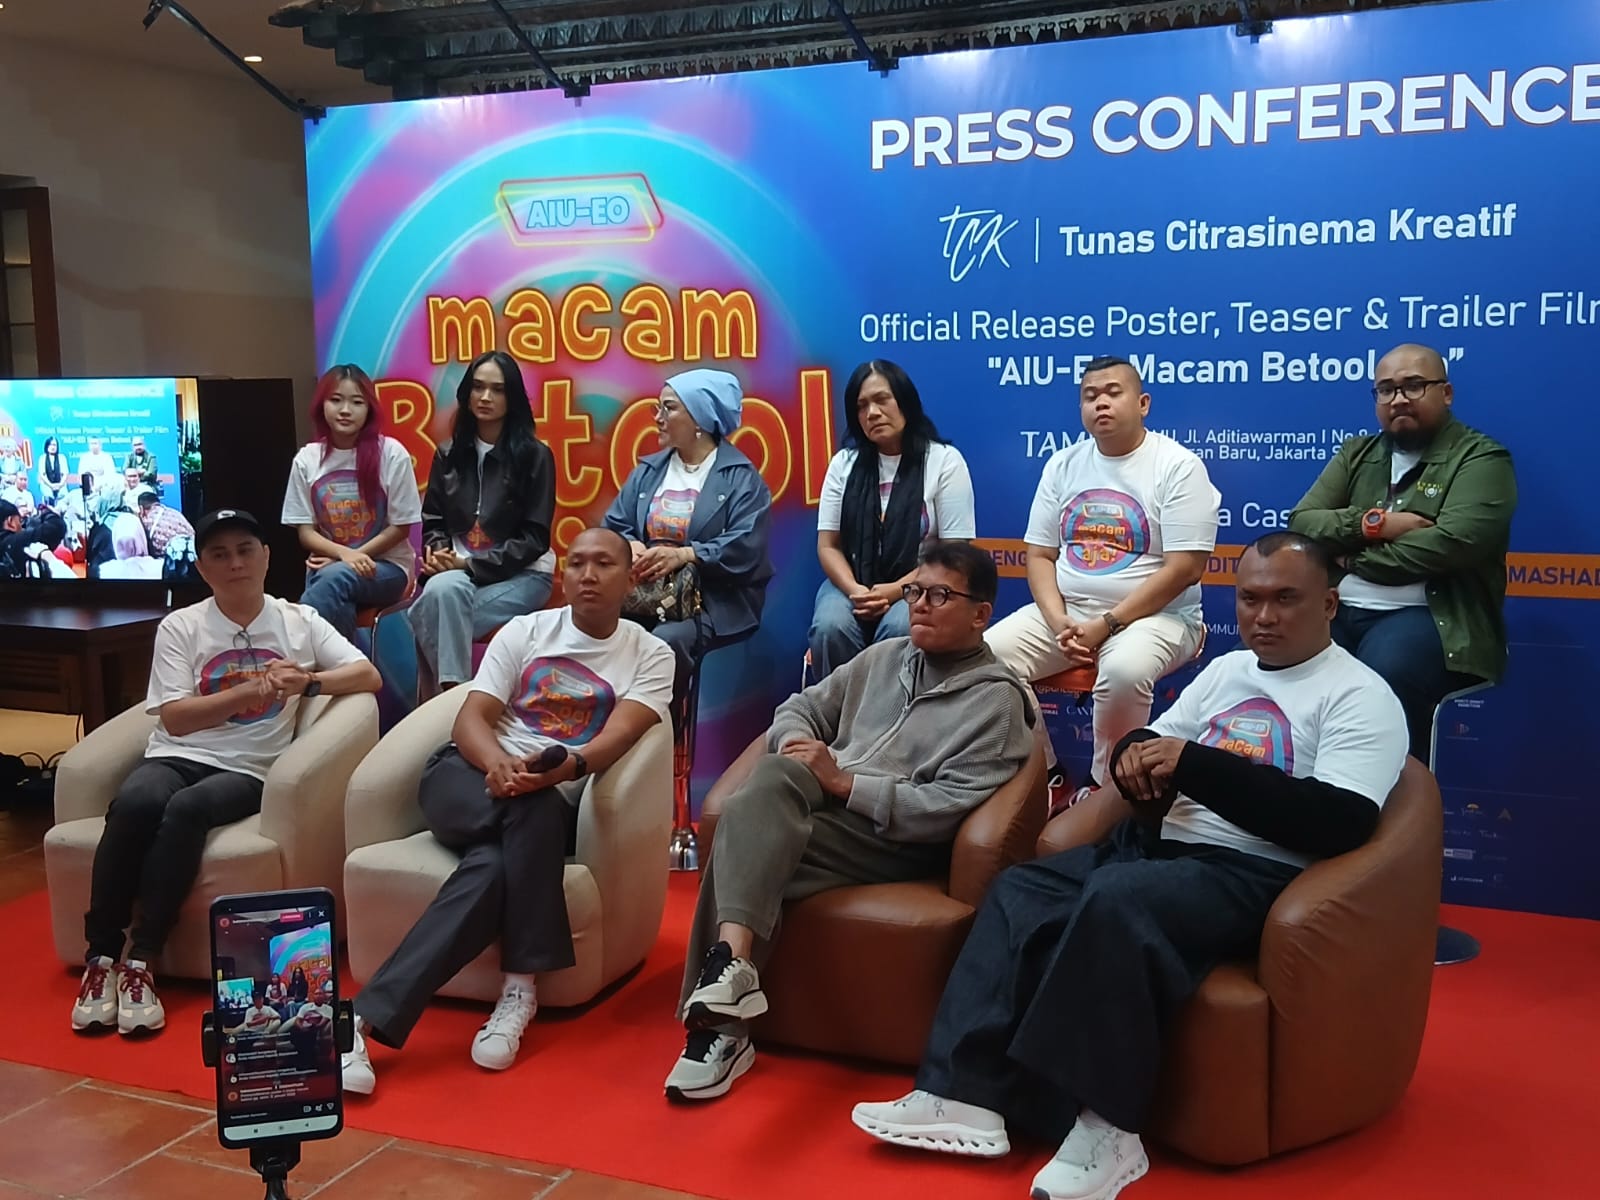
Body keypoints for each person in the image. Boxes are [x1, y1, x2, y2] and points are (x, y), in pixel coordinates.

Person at [851, 533, 1407, 1200]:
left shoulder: (1360, 695)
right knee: (1022, 887)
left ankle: (1108, 1129)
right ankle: (963, 1094)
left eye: (1285, 599)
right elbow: (1155, 738)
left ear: (1330, 604)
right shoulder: (1229, 671)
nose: (1264, 616)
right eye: (1251, 599)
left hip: (1257, 872)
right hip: (1160, 848)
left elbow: (1340, 820)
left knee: (1119, 898)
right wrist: (1134, 759)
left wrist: (1194, 765)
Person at [663, 541, 1034, 1103]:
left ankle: (719, 1029)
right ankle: (730, 975)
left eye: (940, 595)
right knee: (765, 794)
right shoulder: (883, 658)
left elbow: (946, 806)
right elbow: (800, 708)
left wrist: (845, 783)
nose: (920, 605)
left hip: (895, 837)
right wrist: (799, 747)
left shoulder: (998, 703)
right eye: (914, 592)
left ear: (981, 613)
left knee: (744, 832)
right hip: (826, 813)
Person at [341, 528, 674, 1092]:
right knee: (531, 810)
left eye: (603, 564)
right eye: (576, 563)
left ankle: (361, 1019)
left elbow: (619, 737)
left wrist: (564, 769)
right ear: (563, 575)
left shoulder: (651, 654)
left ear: (629, 579)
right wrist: (498, 764)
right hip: (466, 779)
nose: (587, 575)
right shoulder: (527, 630)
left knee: (497, 861)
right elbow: (470, 719)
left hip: (549, 791)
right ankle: (521, 985)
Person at [69, 509, 381, 1038]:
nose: (235, 563)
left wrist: (307, 683)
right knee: (136, 803)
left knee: (187, 810)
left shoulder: (299, 620)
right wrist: (249, 691)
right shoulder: (182, 626)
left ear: (266, 557)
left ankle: (141, 959)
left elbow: (367, 674)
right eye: (219, 554)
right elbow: (175, 718)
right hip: (175, 755)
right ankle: (101, 957)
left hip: (251, 768)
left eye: (245, 550)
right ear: (202, 567)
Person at [986, 355, 1217, 812]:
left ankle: (1107, 789)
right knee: (986, 659)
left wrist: (1107, 625)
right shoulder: (1063, 465)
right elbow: (1040, 555)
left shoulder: (1178, 466)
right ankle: (1043, 775)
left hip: (1160, 617)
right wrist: (1059, 621)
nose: (1101, 403)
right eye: (1090, 396)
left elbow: (1185, 568)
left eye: (1113, 392)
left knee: (1124, 672)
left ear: (1143, 403)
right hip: (1070, 613)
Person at [1288, 343, 1517, 758]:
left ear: (1446, 392)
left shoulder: (1481, 458)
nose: (1398, 399)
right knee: (1267, 658)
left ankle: (1381, 795)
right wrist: (1373, 524)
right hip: (1339, 610)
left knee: (1380, 682)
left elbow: (1449, 545)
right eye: (1386, 390)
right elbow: (1303, 522)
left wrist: (1352, 558)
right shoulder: (1356, 453)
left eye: (1414, 386)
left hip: (1430, 618)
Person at [604, 368, 773, 706]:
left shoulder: (741, 478)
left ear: (700, 419)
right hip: (644, 595)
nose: (657, 418)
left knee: (667, 641)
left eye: (669, 408)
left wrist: (686, 555)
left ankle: (655, 723)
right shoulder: (649, 470)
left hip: (712, 601)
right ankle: (601, 718)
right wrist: (630, 545)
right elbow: (615, 524)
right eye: (658, 408)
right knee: (597, 624)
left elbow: (746, 547)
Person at [809, 360, 976, 679]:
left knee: (901, 627)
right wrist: (856, 590)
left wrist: (896, 590)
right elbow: (828, 545)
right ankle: (838, 708)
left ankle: (891, 711)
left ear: (905, 401)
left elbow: (955, 551)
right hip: (853, 582)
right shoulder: (844, 464)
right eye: (862, 406)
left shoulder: (944, 462)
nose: (872, 413)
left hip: (922, 583)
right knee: (830, 626)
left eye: (881, 399)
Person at [409, 351, 557, 696]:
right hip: (455, 577)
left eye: (497, 389)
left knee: (430, 613)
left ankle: (443, 706)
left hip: (523, 575)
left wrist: (468, 566)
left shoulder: (535, 456)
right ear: (467, 393)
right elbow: (434, 521)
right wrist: (441, 555)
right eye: (478, 387)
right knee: (446, 594)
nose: (486, 397)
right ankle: (457, 703)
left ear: (512, 397)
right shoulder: (448, 453)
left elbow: (534, 538)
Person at [282, 365, 424, 640]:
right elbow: (306, 532)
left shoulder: (392, 454)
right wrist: (343, 555)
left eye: (357, 402)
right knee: (336, 595)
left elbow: (400, 528)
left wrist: (352, 557)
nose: (345, 410)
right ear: (322, 405)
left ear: (369, 409)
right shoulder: (307, 459)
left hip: (387, 568)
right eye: (336, 400)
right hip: (328, 568)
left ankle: (300, 651)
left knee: (333, 580)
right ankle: (349, 667)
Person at [136, 489, 195, 558]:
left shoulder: (146, 520)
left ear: (141, 509)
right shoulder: (175, 513)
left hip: (171, 561)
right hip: (194, 554)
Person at [36, 436, 68, 507]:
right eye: (51, 445)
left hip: (60, 485)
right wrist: (51, 485)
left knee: (64, 494)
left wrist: (60, 485)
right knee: (48, 495)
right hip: (47, 485)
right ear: (47, 446)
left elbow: (65, 474)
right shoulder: (42, 458)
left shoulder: (62, 457)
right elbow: (42, 475)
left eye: (54, 445)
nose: (53, 447)